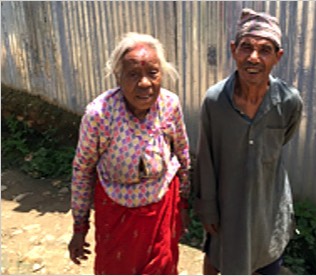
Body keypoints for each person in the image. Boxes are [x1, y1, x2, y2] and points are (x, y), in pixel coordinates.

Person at [68, 32, 191, 275]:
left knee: (163, 266)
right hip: (116, 213)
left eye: (152, 73)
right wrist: (80, 227)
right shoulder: (99, 115)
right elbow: (83, 170)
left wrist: (183, 205)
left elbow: (183, 153)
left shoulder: (169, 104)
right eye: (133, 74)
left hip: (162, 208)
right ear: (118, 77)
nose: (145, 83)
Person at [193, 8, 303, 275]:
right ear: (233, 50)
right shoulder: (215, 101)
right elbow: (206, 158)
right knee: (218, 258)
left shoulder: (288, 102)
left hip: (268, 208)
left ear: (278, 57)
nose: (253, 58)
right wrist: (208, 210)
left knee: (266, 260)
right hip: (226, 210)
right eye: (246, 47)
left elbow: (282, 140)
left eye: (265, 50)